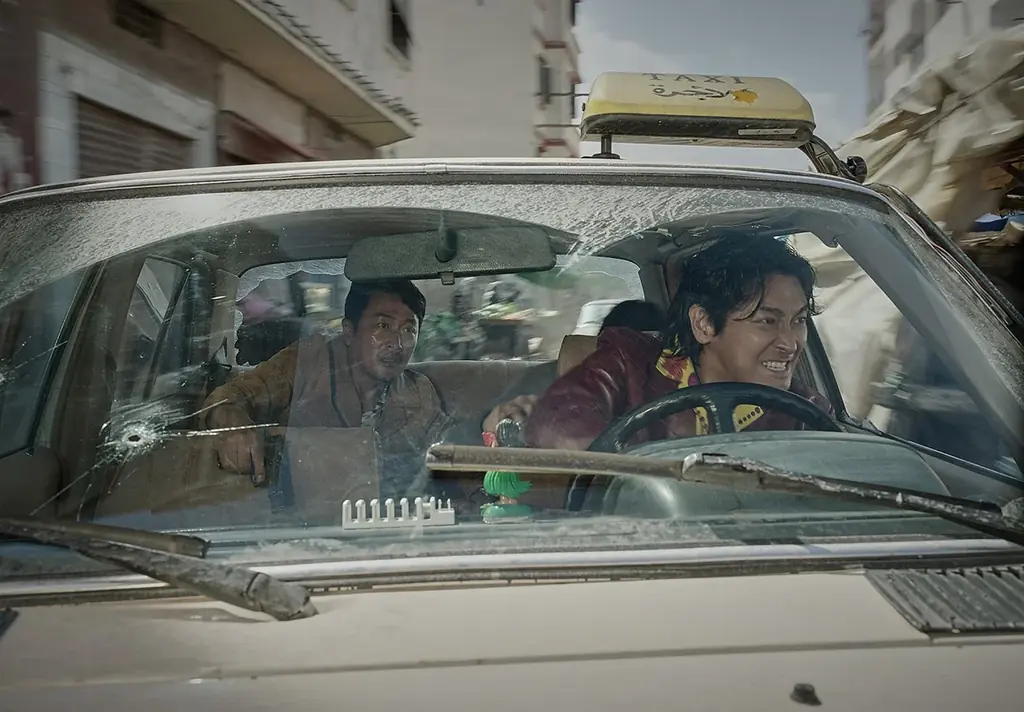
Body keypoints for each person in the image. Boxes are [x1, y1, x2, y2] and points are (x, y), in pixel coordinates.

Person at [523, 234, 833, 451]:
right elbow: (557, 431)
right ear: (704, 323)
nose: (790, 343)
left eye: (799, 321)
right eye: (767, 321)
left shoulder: (807, 414)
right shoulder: (627, 365)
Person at [202, 280, 453, 498]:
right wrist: (233, 424)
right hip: (294, 522)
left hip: (386, 522)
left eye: (408, 330)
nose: (396, 344)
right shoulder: (307, 362)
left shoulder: (418, 393)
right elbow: (230, 397)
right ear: (349, 332)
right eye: (383, 326)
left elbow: (442, 462)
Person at [477, 299, 667, 437]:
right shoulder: (550, 380)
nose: (631, 367)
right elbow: (466, 435)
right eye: (618, 357)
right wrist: (493, 423)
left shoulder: (676, 384)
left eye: (642, 356)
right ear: (599, 350)